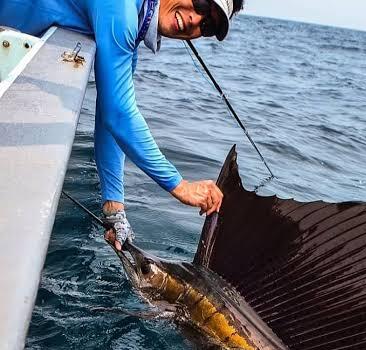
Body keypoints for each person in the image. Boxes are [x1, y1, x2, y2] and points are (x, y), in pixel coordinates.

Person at [0, 0, 244, 249]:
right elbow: (119, 114)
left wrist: (113, 206)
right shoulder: (122, 9)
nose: (195, 19)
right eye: (201, 4)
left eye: (208, 25)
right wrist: (179, 186)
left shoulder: (132, 21)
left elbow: (109, 114)